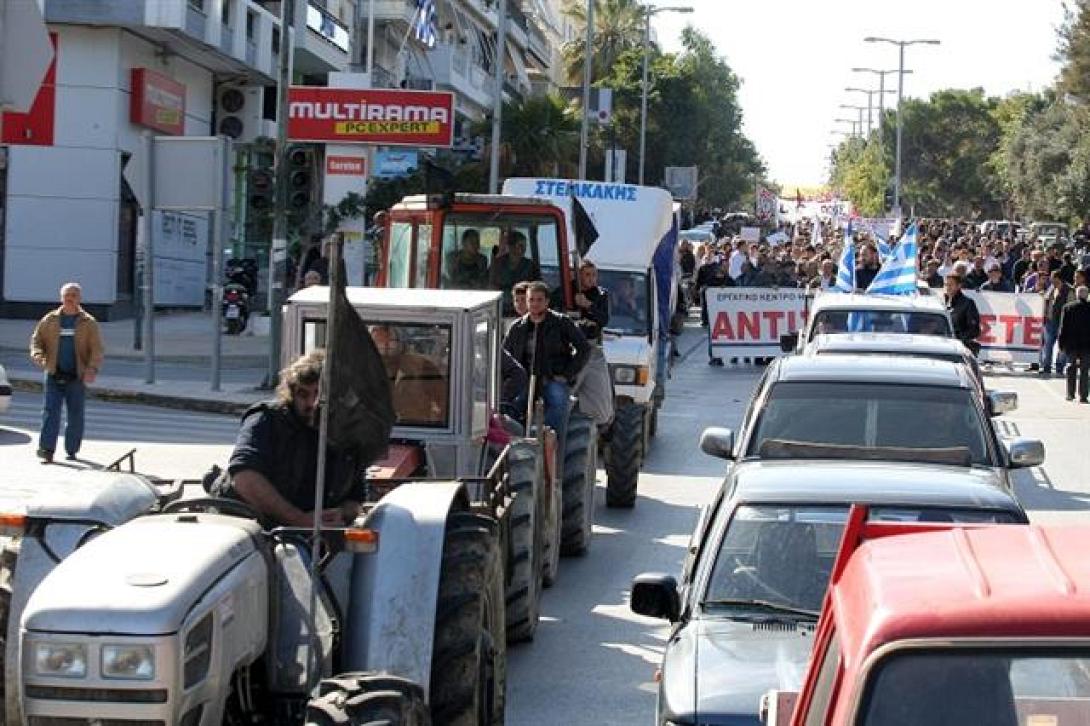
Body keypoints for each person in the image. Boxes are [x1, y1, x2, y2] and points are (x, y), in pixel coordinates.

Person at [218, 350, 364, 527]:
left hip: (313, 537)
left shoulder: (346, 434)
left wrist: (340, 514)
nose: (312, 403)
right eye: (303, 394)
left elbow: (355, 499)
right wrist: (298, 520)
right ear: (292, 395)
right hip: (250, 528)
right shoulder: (267, 419)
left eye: (319, 394)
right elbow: (244, 477)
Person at [503, 281, 590, 435]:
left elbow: (584, 348)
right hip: (524, 380)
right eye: (531, 300)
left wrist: (566, 374)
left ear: (547, 302)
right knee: (508, 407)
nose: (535, 304)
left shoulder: (562, 323)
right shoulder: (517, 327)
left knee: (558, 403)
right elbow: (504, 355)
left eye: (539, 300)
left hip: (553, 379)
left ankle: (548, 442)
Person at [30, 282, 104, 463]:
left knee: (75, 414)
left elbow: (97, 349)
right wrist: (39, 357)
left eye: (74, 295)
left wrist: (92, 368)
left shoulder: (88, 323)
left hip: (77, 376)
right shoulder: (50, 320)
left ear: (79, 298)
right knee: (50, 412)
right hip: (54, 373)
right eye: (67, 295)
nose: (70, 299)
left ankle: (72, 449)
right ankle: (46, 449)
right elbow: (36, 341)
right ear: (61, 298)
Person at [370, 325, 447, 425]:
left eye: (391, 341)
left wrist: (437, 429)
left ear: (401, 344)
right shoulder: (359, 371)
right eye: (379, 342)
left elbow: (445, 403)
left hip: (414, 433)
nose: (386, 346)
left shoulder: (422, 367)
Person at [490, 231, 540, 312]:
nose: (523, 249)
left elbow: (538, 287)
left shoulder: (530, 266)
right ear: (510, 246)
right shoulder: (498, 264)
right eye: (520, 245)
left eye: (525, 246)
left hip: (524, 309)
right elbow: (490, 285)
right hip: (501, 308)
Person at [1059, 285, 1090, 402]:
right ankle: (1083, 396)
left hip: (1071, 344)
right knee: (1085, 370)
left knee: (1071, 368)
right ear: (1087, 295)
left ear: (1077, 294)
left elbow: (1063, 327)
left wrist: (1061, 344)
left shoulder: (1068, 307)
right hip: (1087, 345)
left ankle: (1070, 394)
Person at [1041, 271, 1073, 377]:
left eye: (1052, 278)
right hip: (1050, 322)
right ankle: (1046, 367)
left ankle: (1059, 366)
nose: (1050, 280)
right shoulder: (1051, 288)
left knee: (1062, 346)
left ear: (1058, 278)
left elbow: (1071, 307)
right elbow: (1045, 299)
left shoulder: (1069, 290)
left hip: (1062, 322)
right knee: (1048, 345)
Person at [944, 273, 981, 356]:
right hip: (944, 346)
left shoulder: (967, 303)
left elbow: (974, 330)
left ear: (959, 286)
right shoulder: (942, 302)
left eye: (951, 284)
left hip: (961, 350)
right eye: (946, 284)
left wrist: (958, 339)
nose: (948, 287)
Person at [573, 260, 609, 338]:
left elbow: (604, 319)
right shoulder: (569, 289)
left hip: (590, 338)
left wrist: (589, 306)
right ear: (579, 276)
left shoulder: (601, 294)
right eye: (587, 275)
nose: (591, 278)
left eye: (594, 275)